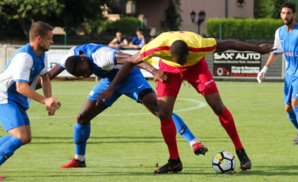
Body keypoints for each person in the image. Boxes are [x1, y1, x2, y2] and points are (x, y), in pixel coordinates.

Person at [97, 31, 275, 173]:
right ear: (169, 54)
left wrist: (257, 49)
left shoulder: (199, 45)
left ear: (189, 53)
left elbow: (229, 44)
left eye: (183, 61)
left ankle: (241, 151)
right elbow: (130, 61)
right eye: (179, 61)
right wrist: (111, 87)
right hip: (169, 71)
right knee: (164, 113)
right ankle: (174, 161)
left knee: (218, 107)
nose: (181, 63)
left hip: (196, 67)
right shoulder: (156, 46)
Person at [35, 43, 207, 169]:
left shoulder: (102, 57)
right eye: (81, 76)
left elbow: (133, 59)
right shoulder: (69, 58)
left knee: (160, 110)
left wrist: (153, 71)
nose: (86, 75)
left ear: (84, 59)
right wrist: (23, 88)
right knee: (82, 117)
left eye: (85, 71)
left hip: (130, 76)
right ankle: (79, 160)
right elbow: (47, 76)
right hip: (109, 81)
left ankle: (194, 142)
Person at [0, 21, 61, 179]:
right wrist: (44, 100)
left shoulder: (41, 54)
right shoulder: (24, 57)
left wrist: (49, 100)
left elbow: (45, 79)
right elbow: (21, 86)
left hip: (16, 99)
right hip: (4, 97)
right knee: (19, 136)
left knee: (25, 137)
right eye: (50, 38)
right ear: (39, 38)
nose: (52, 42)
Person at [257, 2, 298, 145]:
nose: (286, 16)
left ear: (294, 15)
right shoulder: (279, 32)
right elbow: (276, 53)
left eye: (288, 13)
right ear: (280, 15)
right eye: (283, 13)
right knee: (288, 107)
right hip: (290, 75)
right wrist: (265, 69)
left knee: (295, 102)